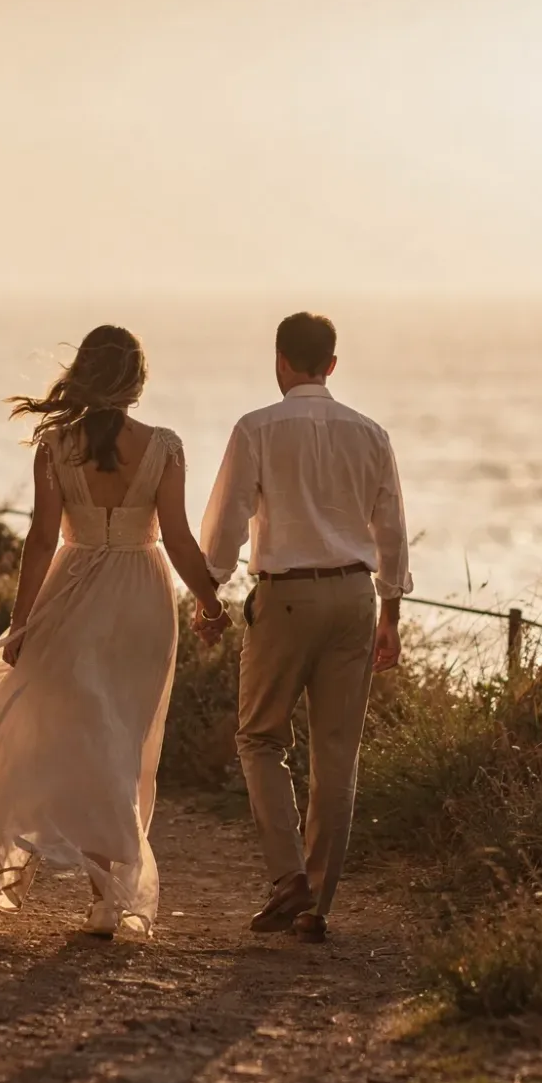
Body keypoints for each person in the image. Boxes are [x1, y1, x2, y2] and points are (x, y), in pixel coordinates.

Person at [0, 325, 224, 938]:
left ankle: (95, 880)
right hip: (143, 595)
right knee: (124, 741)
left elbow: (40, 538)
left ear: (84, 374)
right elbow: (181, 538)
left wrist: (20, 620)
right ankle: (108, 892)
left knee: (74, 732)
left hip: (74, 586)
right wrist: (212, 600)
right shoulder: (166, 447)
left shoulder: (56, 445)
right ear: (136, 383)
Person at [196, 311, 409, 944]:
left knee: (261, 739)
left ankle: (289, 877)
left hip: (286, 598)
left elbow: (228, 520)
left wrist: (210, 595)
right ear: (332, 365)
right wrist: (391, 611)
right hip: (353, 597)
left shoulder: (257, 427)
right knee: (336, 756)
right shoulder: (371, 434)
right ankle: (317, 906)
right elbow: (391, 529)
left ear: (281, 361)